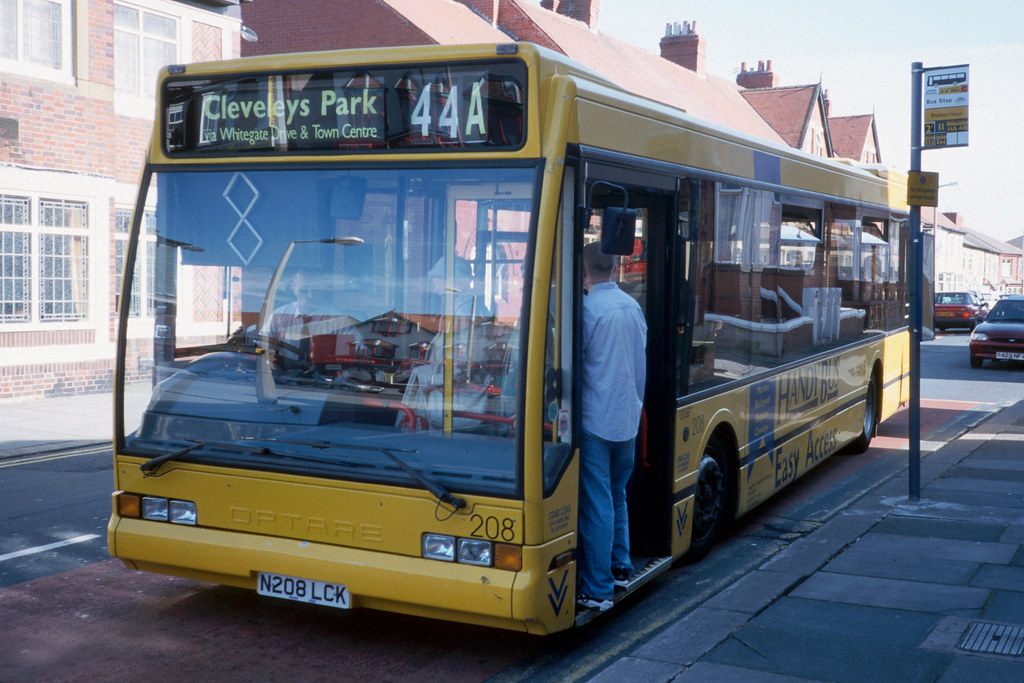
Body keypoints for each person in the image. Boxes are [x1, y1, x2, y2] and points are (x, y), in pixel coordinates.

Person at [577, 241, 647, 612]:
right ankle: (621, 567)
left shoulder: (589, 310)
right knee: (617, 494)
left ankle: (598, 588)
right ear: (614, 269)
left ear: (585, 272)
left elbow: (576, 363)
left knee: (596, 503)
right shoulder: (633, 308)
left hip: (595, 421)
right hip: (628, 419)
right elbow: (639, 367)